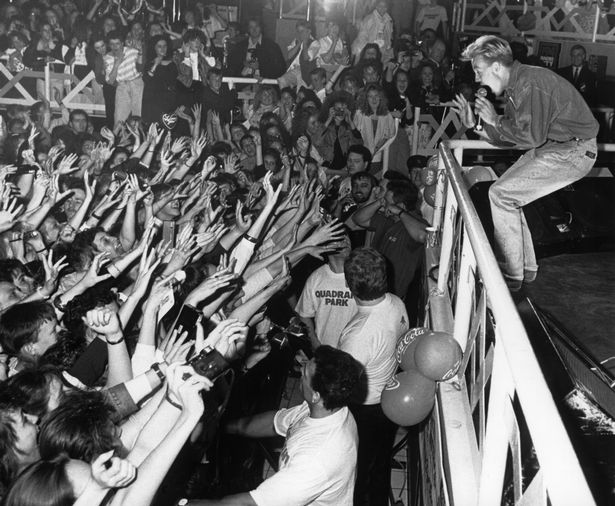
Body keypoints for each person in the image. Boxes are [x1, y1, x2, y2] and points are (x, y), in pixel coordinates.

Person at [453, 35, 599, 291]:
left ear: (496, 67)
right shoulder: (517, 85)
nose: (477, 79)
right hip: (555, 147)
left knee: (500, 194)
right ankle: (525, 269)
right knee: (505, 193)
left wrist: (495, 120)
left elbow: (530, 136)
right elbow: (511, 138)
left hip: (574, 151)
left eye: (479, 70)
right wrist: (475, 125)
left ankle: (510, 277)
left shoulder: (531, 83)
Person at [199, 345, 363, 506]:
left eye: (304, 373)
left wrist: (182, 502)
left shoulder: (316, 460)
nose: (300, 368)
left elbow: (248, 503)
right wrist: (226, 427)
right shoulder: (328, 408)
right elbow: (273, 422)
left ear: (316, 395)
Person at [338, 247, 409, 506]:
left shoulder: (358, 336)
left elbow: (343, 384)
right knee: (378, 464)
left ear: (349, 285)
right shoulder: (396, 302)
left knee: (358, 471)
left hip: (364, 409)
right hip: (388, 397)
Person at [296, 234, 357, 349]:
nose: (345, 240)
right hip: (326, 352)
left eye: (346, 235)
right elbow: (304, 314)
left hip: (356, 350)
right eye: (338, 237)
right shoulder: (316, 278)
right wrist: (314, 341)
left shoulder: (361, 274)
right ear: (324, 246)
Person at [104, 30, 144, 124]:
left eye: (117, 44)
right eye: (112, 44)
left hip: (136, 83)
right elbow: (110, 81)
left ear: (122, 43)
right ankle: (117, 138)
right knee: (119, 119)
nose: (115, 47)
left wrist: (140, 52)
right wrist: (117, 64)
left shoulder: (132, 51)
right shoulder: (107, 58)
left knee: (138, 117)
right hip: (122, 86)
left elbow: (141, 68)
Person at [142, 35, 177, 124]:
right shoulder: (149, 63)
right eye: (159, 46)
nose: (162, 49)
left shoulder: (172, 64)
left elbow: (172, 82)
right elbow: (146, 79)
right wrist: (155, 64)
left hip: (166, 100)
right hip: (151, 100)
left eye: (165, 46)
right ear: (154, 48)